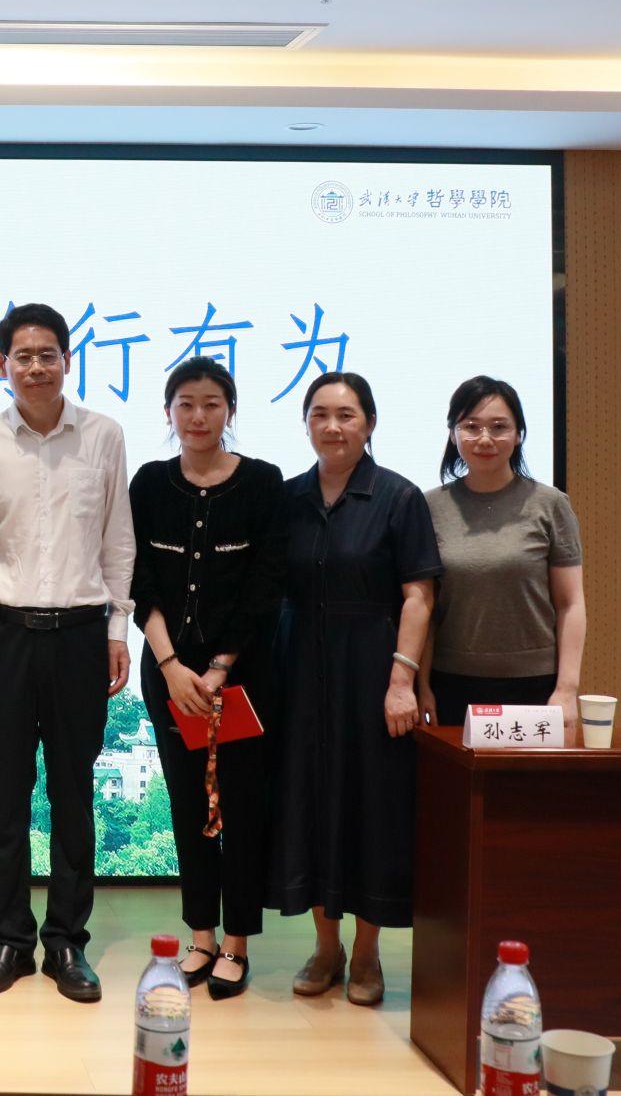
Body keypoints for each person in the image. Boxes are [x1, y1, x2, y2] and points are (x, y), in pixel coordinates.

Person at [0, 303, 132, 1004]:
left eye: (48, 353)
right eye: (23, 355)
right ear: (3, 364)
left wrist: (117, 631)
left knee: (73, 792)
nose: (36, 366)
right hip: (0, 633)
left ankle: (66, 940)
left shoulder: (103, 435)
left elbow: (117, 538)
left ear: (68, 359)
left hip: (81, 635)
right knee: (4, 793)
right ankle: (8, 937)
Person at [274, 371, 439, 1007]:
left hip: (372, 669)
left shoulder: (398, 497)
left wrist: (402, 680)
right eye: (319, 414)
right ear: (306, 424)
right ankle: (326, 947)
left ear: (369, 423)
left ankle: (367, 953)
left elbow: (419, 595)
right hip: (299, 670)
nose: (332, 426)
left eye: (346, 415)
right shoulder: (288, 498)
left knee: (373, 806)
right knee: (311, 804)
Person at [128, 356, 285, 1001]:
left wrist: (219, 667)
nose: (198, 416)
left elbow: (264, 585)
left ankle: (238, 942)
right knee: (188, 805)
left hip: (242, 678)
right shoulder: (149, 482)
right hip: (169, 674)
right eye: (186, 404)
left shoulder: (263, 482)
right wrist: (171, 666)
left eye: (211, 404)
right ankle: (200, 935)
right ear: (169, 412)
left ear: (230, 411)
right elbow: (138, 580)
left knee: (242, 805)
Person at [422, 376, 585, 730]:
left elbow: (570, 604)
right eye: (471, 426)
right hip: (450, 683)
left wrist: (566, 689)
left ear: (519, 434)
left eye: (499, 427)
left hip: (536, 685)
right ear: (453, 434)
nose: (485, 439)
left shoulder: (550, 504)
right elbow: (426, 608)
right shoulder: (428, 507)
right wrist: (422, 685)